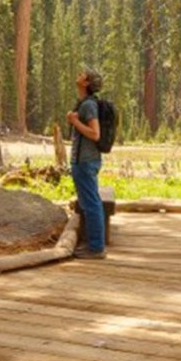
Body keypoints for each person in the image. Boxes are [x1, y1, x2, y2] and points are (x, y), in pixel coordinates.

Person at [66, 67, 107, 259]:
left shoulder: (88, 105)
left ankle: (96, 248)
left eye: (83, 74)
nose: (79, 73)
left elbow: (95, 133)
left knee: (91, 203)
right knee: (89, 202)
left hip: (86, 161)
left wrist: (75, 122)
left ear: (87, 83)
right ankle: (92, 244)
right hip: (84, 161)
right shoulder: (84, 103)